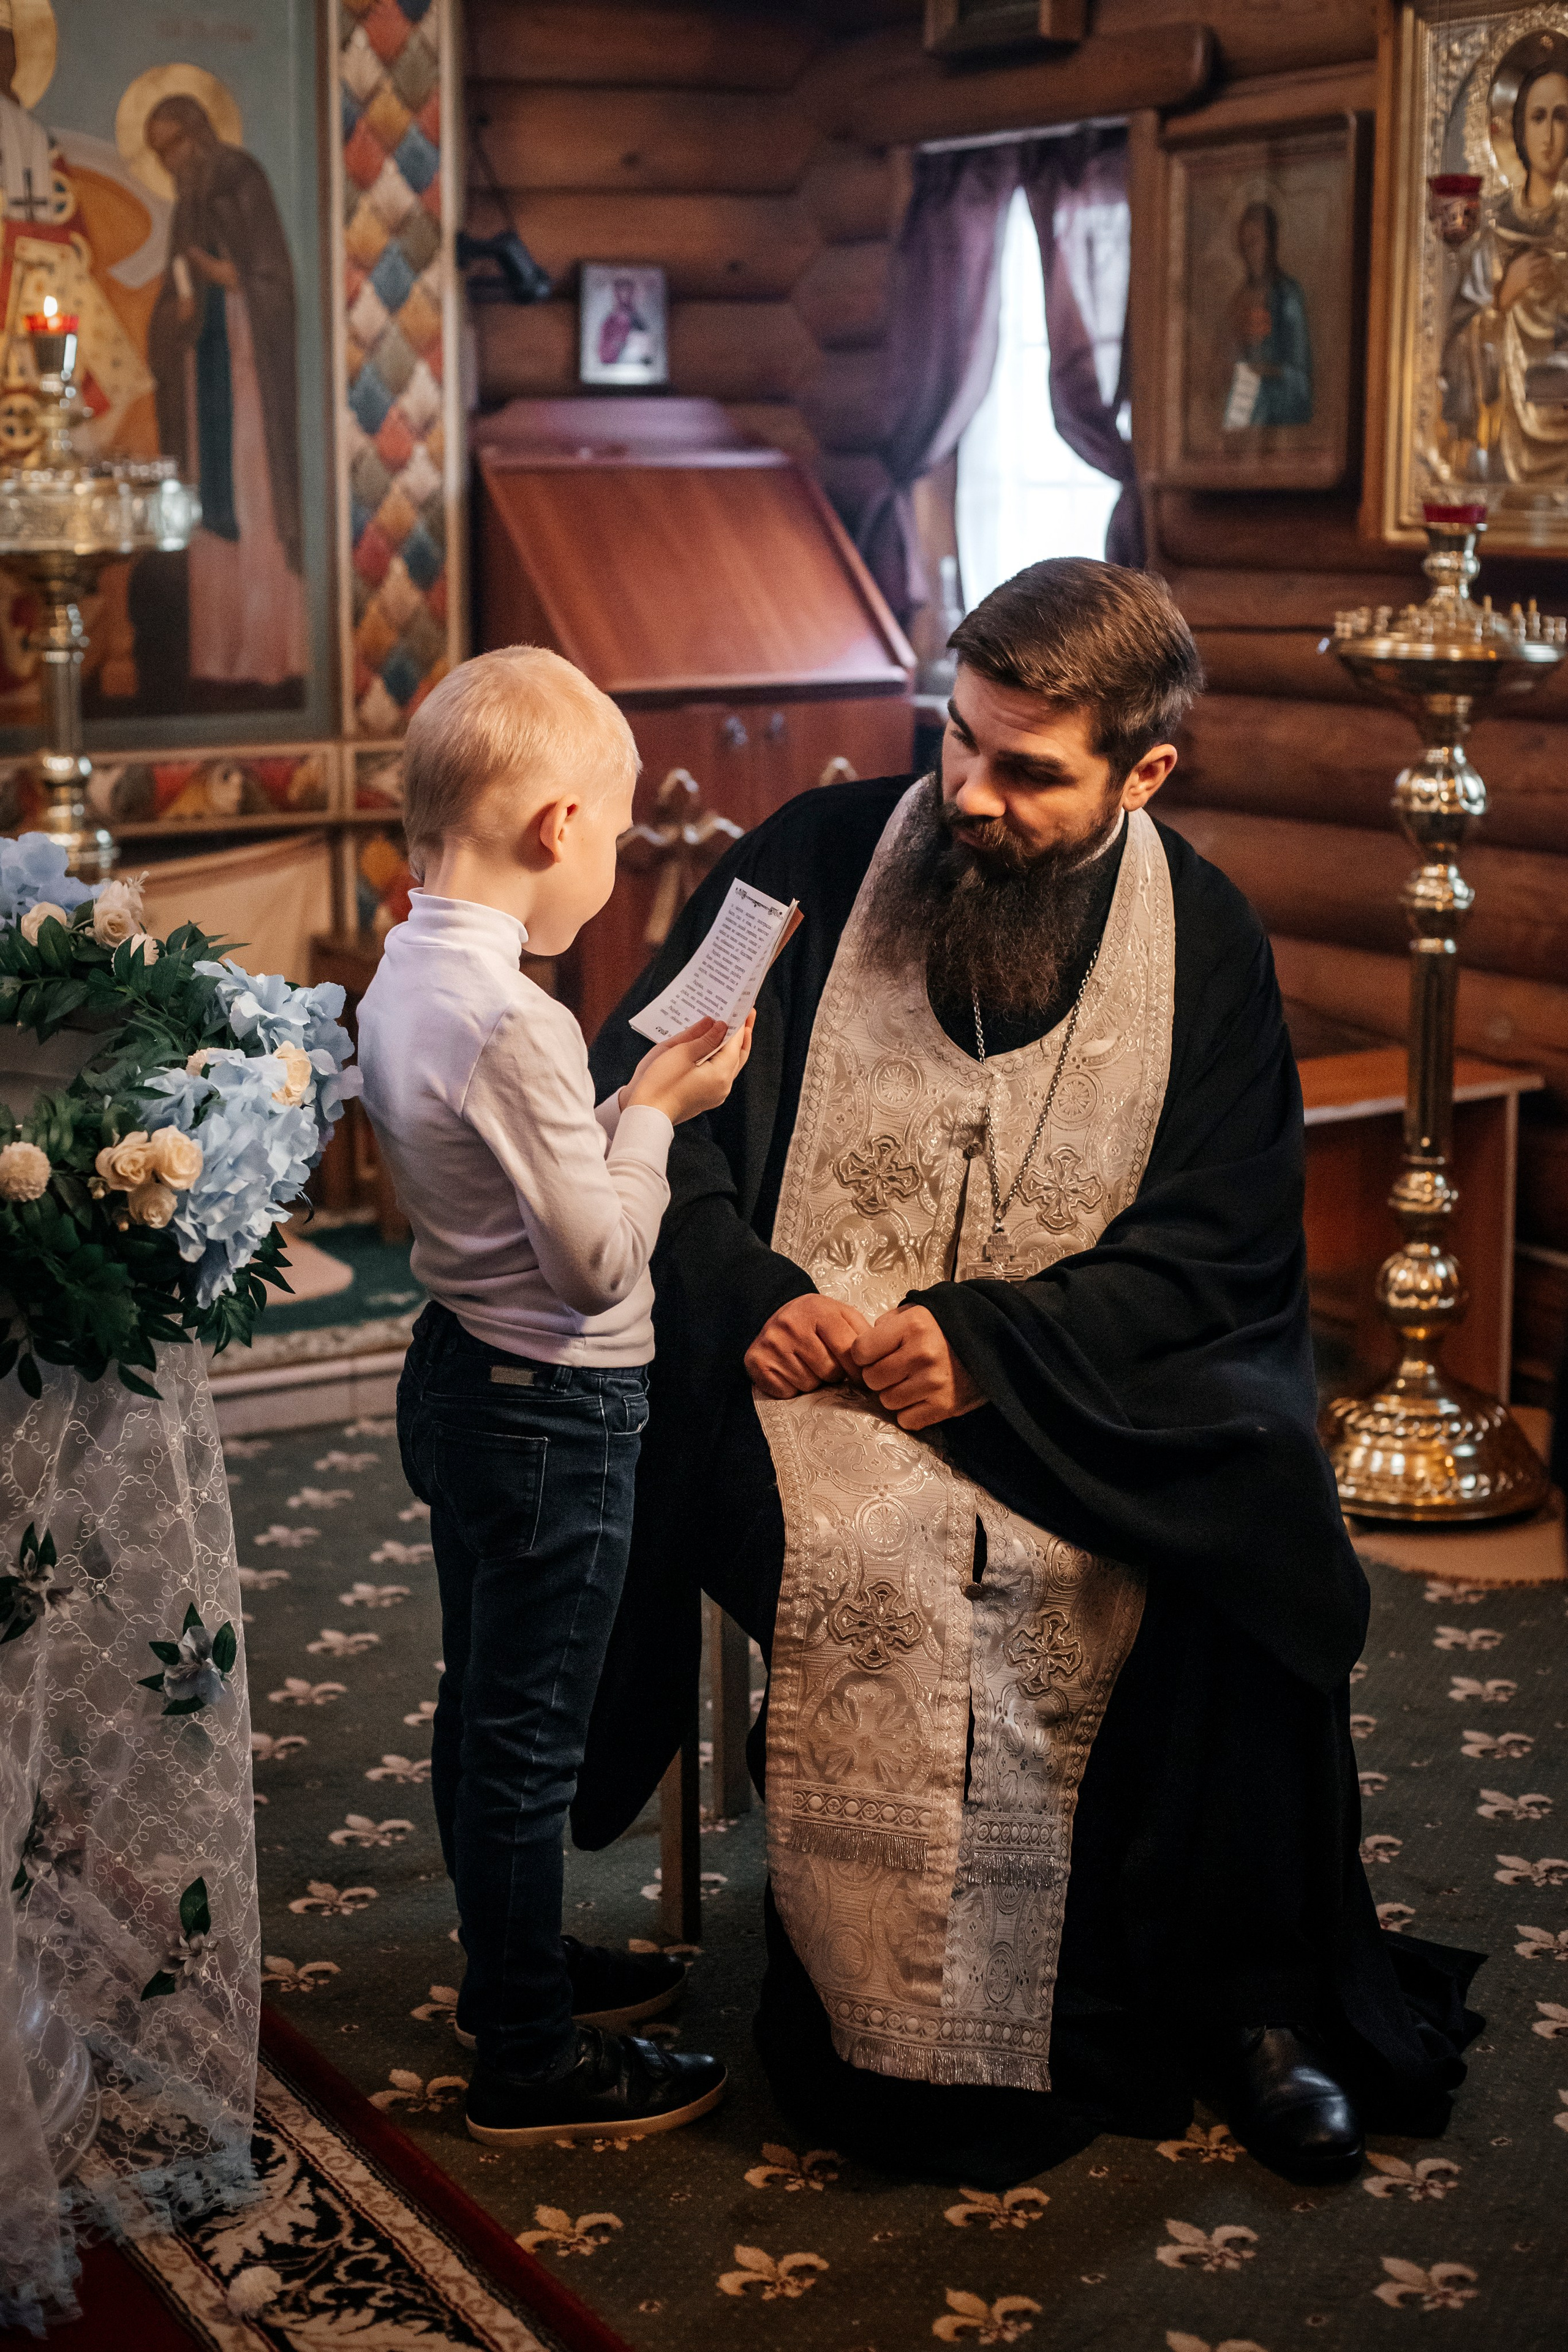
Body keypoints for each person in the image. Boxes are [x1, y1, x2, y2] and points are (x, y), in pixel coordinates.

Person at [578, 560, 1482, 2190]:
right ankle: (898, 2049)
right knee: (892, 1563)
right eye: (957, 738)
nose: (968, 793)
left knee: (1253, 1521)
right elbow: (644, 1077)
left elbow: (1220, 1245)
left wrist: (995, 1345)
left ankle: (1247, 2001)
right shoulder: (806, 855)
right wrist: (736, 1285)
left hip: (1047, 1377)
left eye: (1027, 769)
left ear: (1146, 772)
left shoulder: (1205, 935)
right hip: (790, 1380)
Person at [358, 647, 752, 2148]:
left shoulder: (411, 965)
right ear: (553, 828)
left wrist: (604, 1118)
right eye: (616, 832)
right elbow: (594, 1261)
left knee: (483, 1708)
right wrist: (651, 1113)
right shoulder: (514, 1014)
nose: (613, 860)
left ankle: (505, 1973)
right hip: (552, 1406)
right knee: (527, 1739)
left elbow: (510, 1186)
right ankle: (526, 2054)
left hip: (462, 1370)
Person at [145, 93, 305, 697]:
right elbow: (171, 302)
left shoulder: (241, 178)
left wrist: (222, 279)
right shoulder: (185, 206)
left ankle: (266, 655)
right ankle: (220, 656)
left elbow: (273, 281)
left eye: (174, 147)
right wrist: (180, 312)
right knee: (214, 507)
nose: (169, 162)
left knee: (254, 495)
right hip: (204, 377)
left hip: (249, 373)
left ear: (199, 133)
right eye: (159, 154)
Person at [1442, 39, 1568, 486]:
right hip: (1504, 438)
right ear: (1517, 128)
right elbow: (1451, 350)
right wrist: (1501, 300)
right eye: (1538, 118)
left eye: (1562, 116)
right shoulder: (1490, 237)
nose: (1550, 135)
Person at [1224, 200, 1313, 429]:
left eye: (1254, 243)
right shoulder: (1239, 298)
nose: (1249, 253)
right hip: (1245, 400)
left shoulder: (1288, 295)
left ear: (1270, 243)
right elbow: (1228, 358)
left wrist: (1264, 370)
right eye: (1245, 246)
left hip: (1282, 404)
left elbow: (1300, 375)